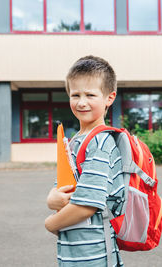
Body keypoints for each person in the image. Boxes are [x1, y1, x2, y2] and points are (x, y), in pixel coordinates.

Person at [45, 55, 125, 266]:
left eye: (90, 95)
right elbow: (65, 192)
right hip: (75, 252)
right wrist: (52, 199)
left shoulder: (100, 142)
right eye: (75, 94)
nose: (81, 102)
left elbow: (86, 205)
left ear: (109, 97)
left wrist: (51, 224)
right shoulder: (74, 142)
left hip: (96, 255)